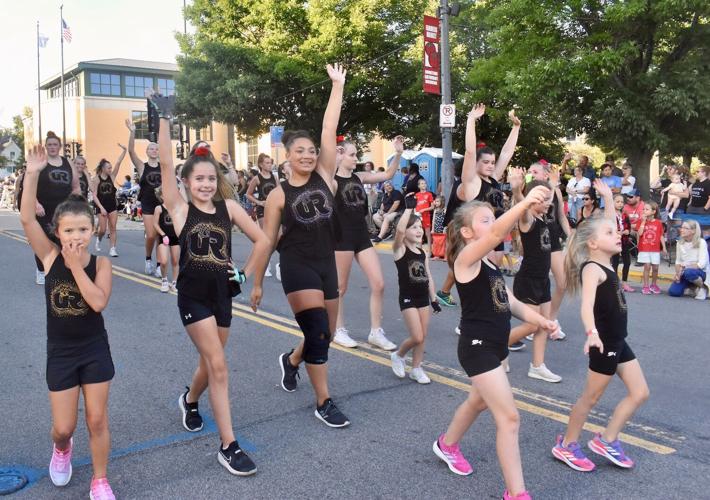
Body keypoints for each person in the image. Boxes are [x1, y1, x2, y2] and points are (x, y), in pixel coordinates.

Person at [150, 93, 270, 475]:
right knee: (219, 364)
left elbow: (265, 240)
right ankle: (228, 445)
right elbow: (167, 163)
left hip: (223, 294)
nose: (205, 183)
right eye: (198, 178)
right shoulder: (180, 209)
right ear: (186, 183)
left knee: (209, 361)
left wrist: (245, 274)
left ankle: (189, 399)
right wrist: (165, 119)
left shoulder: (229, 208)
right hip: (193, 295)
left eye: (210, 178)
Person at [434, 185, 555, 500]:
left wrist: (541, 320)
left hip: (496, 346)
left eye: (493, 218)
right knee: (510, 418)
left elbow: (511, 301)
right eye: (485, 220)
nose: (492, 224)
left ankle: (447, 445)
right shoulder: (466, 260)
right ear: (468, 232)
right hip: (478, 348)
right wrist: (525, 202)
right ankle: (517, 494)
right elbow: (494, 236)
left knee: (477, 401)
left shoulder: (489, 265)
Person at [20, 145, 117, 499]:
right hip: (61, 351)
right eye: (68, 231)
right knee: (63, 427)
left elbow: (97, 301)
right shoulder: (48, 257)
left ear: (92, 230)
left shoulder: (101, 265)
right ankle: (63, 449)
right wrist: (32, 173)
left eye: (82, 229)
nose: (76, 237)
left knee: (96, 419)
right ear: (57, 233)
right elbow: (28, 219)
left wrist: (77, 266)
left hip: (93, 348)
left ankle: (100, 479)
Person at [262, 64, 352, 428]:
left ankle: (293, 361)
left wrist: (337, 86)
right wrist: (253, 282)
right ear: (287, 156)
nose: (308, 155)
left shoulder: (325, 176)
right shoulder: (278, 194)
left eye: (311, 150)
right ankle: (324, 401)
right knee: (316, 330)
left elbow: (330, 129)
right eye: (300, 151)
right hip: (296, 264)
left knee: (323, 336)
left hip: (325, 262)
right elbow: (268, 240)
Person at [552, 212, 650, 473]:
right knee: (590, 398)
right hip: (604, 342)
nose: (616, 234)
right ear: (592, 244)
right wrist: (591, 333)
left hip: (618, 341)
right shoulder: (593, 269)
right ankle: (568, 444)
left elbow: (609, 220)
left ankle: (607, 440)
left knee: (640, 392)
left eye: (615, 231)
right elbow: (586, 306)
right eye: (609, 233)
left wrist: (607, 198)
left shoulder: (608, 263)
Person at [436, 104, 521, 307]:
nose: (491, 165)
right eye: (486, 162)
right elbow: (470, 151)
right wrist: (471, 121)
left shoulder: (494, 179)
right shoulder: (472, 183)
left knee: (493, 268)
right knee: (483, 276)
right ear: (476, 165)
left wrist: (516, 127)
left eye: (492, 162)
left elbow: (507, 153)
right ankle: (477, 313)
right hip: (478, 234)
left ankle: (448, 293)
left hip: (495, 231)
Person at [331, 136, 402, 350]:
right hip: (341, 237)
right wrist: (332, 156)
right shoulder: (332, 181)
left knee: (379, 284)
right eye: (352, 155)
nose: (356, 159)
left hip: (361, 236)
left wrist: (398, 153)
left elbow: (388, 174)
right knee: (340, 288)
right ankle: (339, 330)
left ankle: (375, 332)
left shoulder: (359, 177)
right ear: (340, 155)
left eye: (355, 155)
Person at [507, 180, 562, 382]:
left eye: (549, 199)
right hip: (528, 280)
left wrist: (554, 187)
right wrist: (517, 190)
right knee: (531, 326)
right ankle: (495, 348)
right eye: (544, 199)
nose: (548, 203)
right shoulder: (527, 219)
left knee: (544, 326)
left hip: (542, 281)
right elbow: (523, 206)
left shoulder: (543, 219)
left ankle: (537, 366)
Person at [390, 199, 441, 384]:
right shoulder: (399, 250)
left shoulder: (422, 252)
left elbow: (428, 276)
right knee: (417, 336)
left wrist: (433, 299)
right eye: (414, 228)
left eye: (420, 227)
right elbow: (399, 230)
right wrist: (409, 209)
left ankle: (417, 368)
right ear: (406, 233)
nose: (419, 230)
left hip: (422, 299)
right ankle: (399, 355)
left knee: (423, 336)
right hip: (407, 298)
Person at [30, 131, 81, 285]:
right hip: (44, 209)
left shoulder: (67, 163)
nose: (52, 147)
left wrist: (74, 202)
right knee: (43, 240)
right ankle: (41, 270)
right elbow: (30, 187)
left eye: (55, 145)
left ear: (60, 147)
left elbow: (76, 187)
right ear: (46, 147)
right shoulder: (42, 163)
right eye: (49, 145)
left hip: (63, 210)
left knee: (64, 241)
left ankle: (63, 269)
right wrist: (36, 204)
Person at [125, 119, 162, 276]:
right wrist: (132, 132)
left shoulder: (164, 167)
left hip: (162, 204)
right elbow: (131, 152)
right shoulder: (142, 166)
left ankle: (160, 265)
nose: (153, 150)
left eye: (155, 148)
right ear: (147, 152)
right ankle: (148, 259)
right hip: (147, 204)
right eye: (151, 148)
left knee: (162, 235)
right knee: (151, 235)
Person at [246, 153, 278, 277]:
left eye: (271, 162)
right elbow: (248, 194)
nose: (270, 165)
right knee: (266, 238)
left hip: (274, 209)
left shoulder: (274, 177)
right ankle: (265, 264)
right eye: (267, 163)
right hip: (262, 210)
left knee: (277, 238)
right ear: (261, 164)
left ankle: (270, 262)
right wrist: (259, 202)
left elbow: (279, 192)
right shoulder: (257, 178)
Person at [91, 146, 126, 257]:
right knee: (102, 229)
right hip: (101, 206)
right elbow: (94, 196)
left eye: (111, 168)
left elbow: (118, 163)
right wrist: (101, 207)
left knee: (113, 228)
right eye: (108, 168)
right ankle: (99, 240)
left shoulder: (112, 176)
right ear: (102, 168)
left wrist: (124, 151)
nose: (110, 170)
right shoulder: (96, 179)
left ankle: (113, 249)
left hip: (112, 205)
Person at [668, 220, 709, 300]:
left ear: (693, 231)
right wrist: (678, 274)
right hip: (684, 271)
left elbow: (702, 264)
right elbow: (678, 261)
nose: (681, 230)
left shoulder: (701, 242)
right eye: (682, 227)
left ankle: (703, 287)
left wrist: (685, 268)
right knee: (674, 292)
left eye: (685, 228)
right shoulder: (680, 243)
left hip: (700, 272)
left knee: (689, 272)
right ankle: (692, 287)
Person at [153, 187, 180, 293]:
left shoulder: (176, 208)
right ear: (162, 196)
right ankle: (164, 280)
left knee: (175, 261)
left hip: (175, 237)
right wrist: (163, 234)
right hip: (164, 237)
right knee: (164, 261)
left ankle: (175, 282)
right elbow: (155, 224)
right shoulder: (158, 208)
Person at [637, 201, 667, 294]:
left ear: (653, 211)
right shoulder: (641, 221)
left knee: (655, 268)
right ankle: (645, 286)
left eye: (647, 209)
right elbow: (640, 233)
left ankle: (654, 284)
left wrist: (664, 248)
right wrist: (643, 222)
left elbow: (661, 235)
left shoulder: (658, 223)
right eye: (644, 209)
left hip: (655, 249)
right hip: (644, 248)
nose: (644, 211)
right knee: (647, 267)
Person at [612, 194, 635, 292]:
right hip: (614, 242)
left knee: (627, 262)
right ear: (612, 202)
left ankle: (624, 283)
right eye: (617, 202)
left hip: (624, 241)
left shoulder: (625, 215)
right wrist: (615, 231)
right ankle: (614, 283)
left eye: (622, 202)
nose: (620, 204)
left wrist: (627, 231)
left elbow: (628, 227)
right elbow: (607, 227)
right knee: (615, 262)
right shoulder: (610, 215)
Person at [415, 178, 435, 250]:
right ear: (419, 186)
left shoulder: (429, 194)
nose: (424, 185)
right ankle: (420, 250)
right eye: (422, 183)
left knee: (427, 234)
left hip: (426, 216)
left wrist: (424, 210)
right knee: (419, 233)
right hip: (418, 217)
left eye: (425, 183)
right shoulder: (416, 195)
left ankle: (430, 250)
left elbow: (432, 207)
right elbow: (414, 206)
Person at [430, 195, 447, 260]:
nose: (435, 202)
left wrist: (445, 228)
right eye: (435, 201)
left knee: (444, 243)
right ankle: (437, 255)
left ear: (441, 202)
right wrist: (432, 229)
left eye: (437, 201)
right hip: (436, 229)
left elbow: (446, 219)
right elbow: (433, 220)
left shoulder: (444, 210)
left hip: (442, 228)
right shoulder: (435, 210)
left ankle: (445, 256)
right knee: (436, 242)